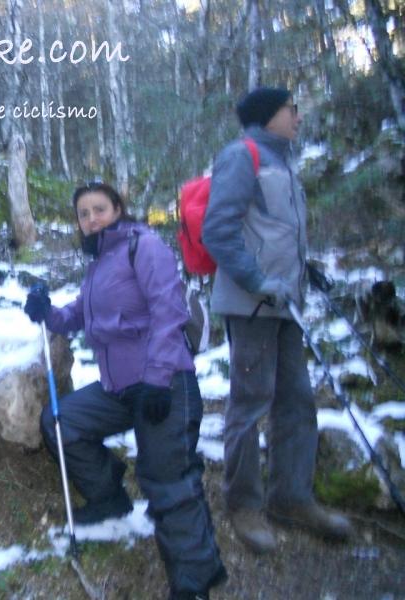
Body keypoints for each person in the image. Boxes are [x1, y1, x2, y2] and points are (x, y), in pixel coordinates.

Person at [24, 182, 227, 600]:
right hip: (118, 389)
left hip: (164, 382)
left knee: (166, 478)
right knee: (62, 422)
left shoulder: (144, 246)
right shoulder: (98, 263)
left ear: (118, 209)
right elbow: (78, 314)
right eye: (83, 213)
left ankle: (194, 580)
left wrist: (157, 378)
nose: (91, 218)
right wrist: (47, 312)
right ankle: (109, 497)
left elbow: (169, 312)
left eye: (99, 208)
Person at [202, 87, 352, 554]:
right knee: (250, 403)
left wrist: (307, 273)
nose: (298, 117)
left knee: (297, 401)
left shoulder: (283, 163)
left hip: (287, 303)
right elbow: (218, 230)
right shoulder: (240, 156)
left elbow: (274, 232)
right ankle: (243, 504)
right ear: (270, 116)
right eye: (292, 110)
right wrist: (258, 280)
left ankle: (291, 497)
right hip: (252, 305)